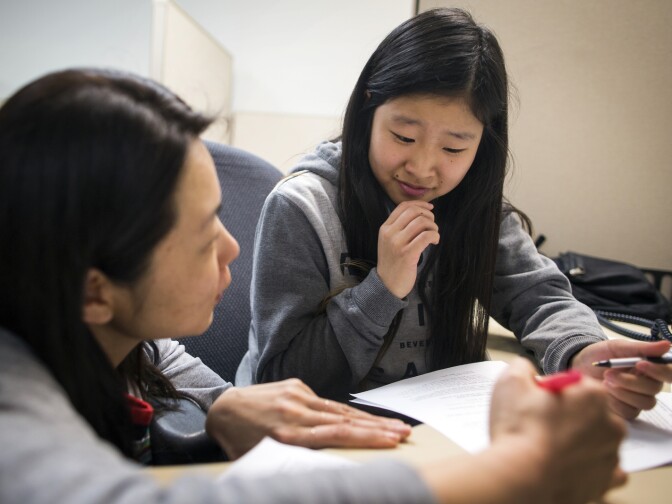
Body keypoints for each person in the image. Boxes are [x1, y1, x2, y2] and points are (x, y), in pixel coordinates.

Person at [0, 68, 626, 504]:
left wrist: (218, 415)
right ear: (95, 291)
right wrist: (512, 478)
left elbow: (195, 411)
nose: (232, 247)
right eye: (201, 236)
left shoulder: (136, 345)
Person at [235, 7, 672, 419]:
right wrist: (383, 287)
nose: (423, 168)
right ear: (368, 110)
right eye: (404, 136)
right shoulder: (303, 209)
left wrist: (579, 352)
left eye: (453, 148)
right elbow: (279, 379)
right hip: (322, 438)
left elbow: (537, 295)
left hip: (436, 427)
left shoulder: (470, 206)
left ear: (483, 143)